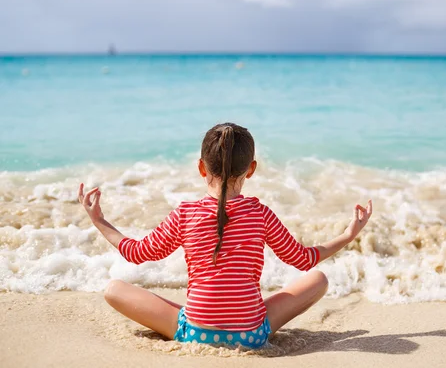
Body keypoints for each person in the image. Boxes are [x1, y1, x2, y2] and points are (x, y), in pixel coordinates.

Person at [78, 122, 372, 348]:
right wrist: (348, 234)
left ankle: (201, 313)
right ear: (251, 169)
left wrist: (99, 220)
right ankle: (230, 316)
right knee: (319, 279)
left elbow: (136, 252)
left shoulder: (186, 214)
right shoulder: (260, 213)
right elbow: (303, 259)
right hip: (252, 336)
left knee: (113, 289)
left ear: (201, 167)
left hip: (195, 333)